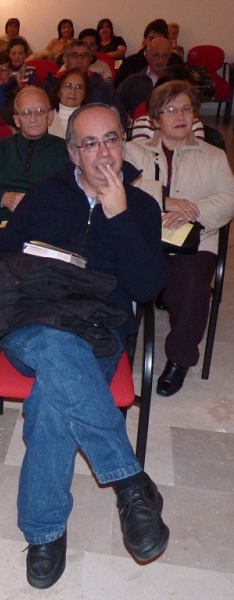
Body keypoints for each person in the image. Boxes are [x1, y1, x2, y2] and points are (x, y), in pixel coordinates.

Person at [0, 103, 169, 589]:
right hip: (32, 320)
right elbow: (0, 256)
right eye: (90, 143)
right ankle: (130, 484)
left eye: (112, 140)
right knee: (55, 347)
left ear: (123, 142)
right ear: (72, 153)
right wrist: (40, 264)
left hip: (97, 328)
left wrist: (119, 218)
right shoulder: (46, 195)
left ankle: (44, 530)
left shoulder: (141, 206)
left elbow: (146, 290)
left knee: (50, 406)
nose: (103, 153)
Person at [125, 81, 234, 396]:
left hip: (194, 242)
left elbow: (229, 198)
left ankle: (180, 359)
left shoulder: (213, 156)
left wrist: (193, 211)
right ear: (156, 118)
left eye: (186, 108)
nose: (180, 115)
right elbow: (121, 188)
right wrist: (165, 200)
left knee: (194, 287)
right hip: (144, 239)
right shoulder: (134, 150)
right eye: (170, 109)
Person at [0, 87, 69, 228]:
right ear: (17, 120)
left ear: (50, 116)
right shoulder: (0, 148)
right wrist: (4, 198)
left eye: (40, 111)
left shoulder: (66, 151)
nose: (33, 118)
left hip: (50, 226)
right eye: (26, 113)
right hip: (8, 226)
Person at [42, 41, 128, 127]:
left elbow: (120, 117)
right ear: (65, 60)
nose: (80, 60)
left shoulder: (103, 88)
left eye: (84, 55)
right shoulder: (51, 85)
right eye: (74, 55)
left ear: (90, 60)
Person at [116, 36, 172, 119]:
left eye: (164, 56)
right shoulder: (132, 82)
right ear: (147, 55)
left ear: (169, 57)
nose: (160, 60)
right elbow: (115, 106)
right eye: (156, 55)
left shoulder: (175, 81)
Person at [115, 19, 183, 87]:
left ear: (166, 41)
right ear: (144, 40)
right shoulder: (130, 63)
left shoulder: (176, 62)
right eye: (151, 38)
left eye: (159, 38)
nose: (155, 42)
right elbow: (119, 93)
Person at [48, 68, 88, 138]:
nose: (73, 92)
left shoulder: (91, 120)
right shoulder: (45, 118)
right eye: (68, 86)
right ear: (58, 92)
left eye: (79, 87)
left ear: (84, 94)